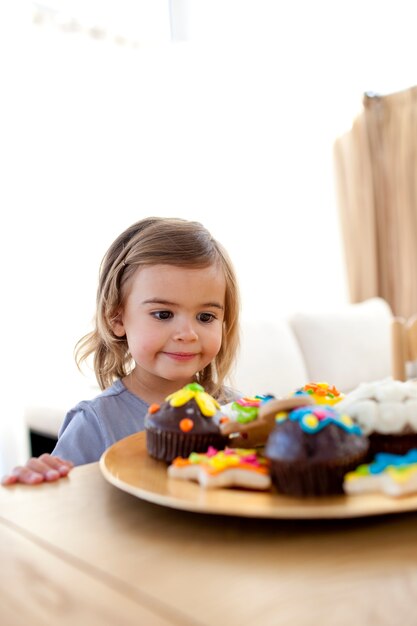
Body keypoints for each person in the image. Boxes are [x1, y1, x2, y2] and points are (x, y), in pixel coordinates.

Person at [2, 217, 240, 485]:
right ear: (117, 319)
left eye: (206, 317)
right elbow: (58, 511)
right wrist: (37, 483)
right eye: (163, 314)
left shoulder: (237, 412)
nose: (187, 334)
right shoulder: (96, 423)